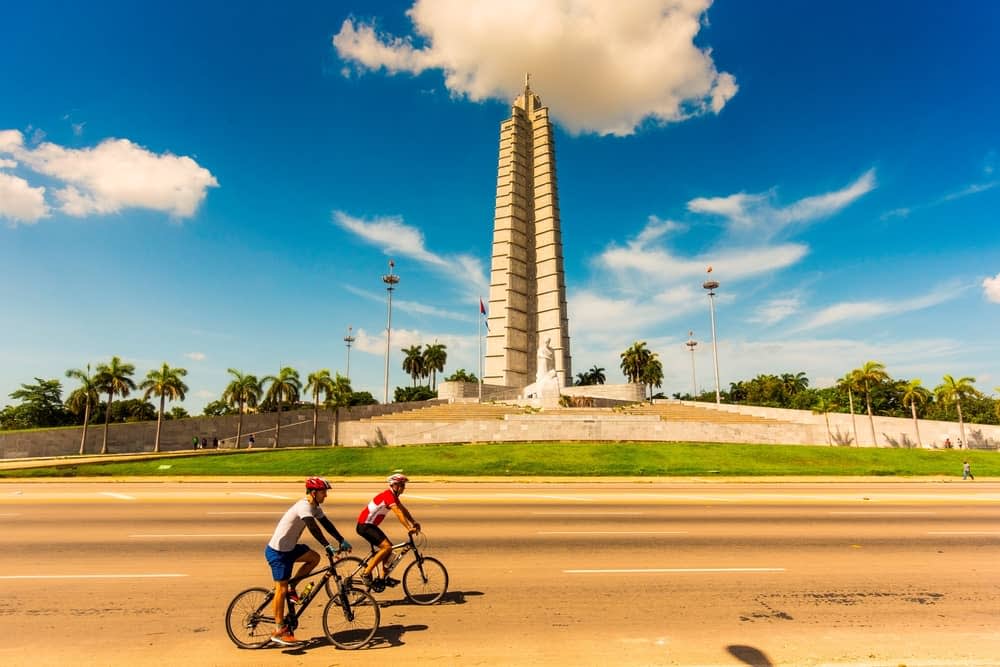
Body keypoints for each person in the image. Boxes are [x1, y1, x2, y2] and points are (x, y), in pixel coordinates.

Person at [264, 477, 352, 646]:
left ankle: (293, 585)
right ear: (314, 493)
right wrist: (327, 545)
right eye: (323, 492)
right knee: (280, 589)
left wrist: (341, 540)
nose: (326, 495)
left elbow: (325, 523)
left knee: (314, 558)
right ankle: (278, 630)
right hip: (278, 553)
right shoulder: (304, 506)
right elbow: (312, 527)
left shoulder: (314, 506)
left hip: (290, 549)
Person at [356, 473, 421, 589]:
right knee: (387, 547)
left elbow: (403, 509)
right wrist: (408, 527)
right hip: (365, 525)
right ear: (394, 485)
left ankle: (382, 577)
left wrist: (413, 522)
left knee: (389, 549)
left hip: (370, 525)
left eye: (404, 485)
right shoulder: (388, 495)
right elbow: (398, 512)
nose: (404, 488)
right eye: (402, 485)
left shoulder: (393, 496)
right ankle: (366, 573)